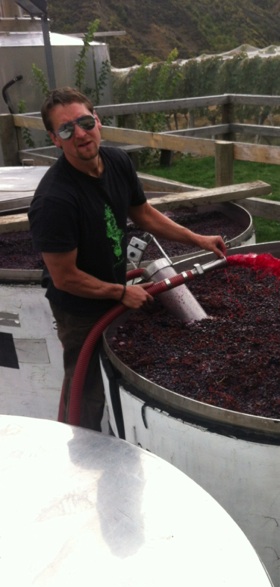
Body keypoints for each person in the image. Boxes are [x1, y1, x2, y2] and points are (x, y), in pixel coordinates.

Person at [28, 87, 227, 432]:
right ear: (54, 139)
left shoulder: (117, 162)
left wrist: (198, 239)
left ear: (98, 122)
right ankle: (78, 454)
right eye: (65, 130)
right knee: (84, 393)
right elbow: (65, 278)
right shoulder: (55, 200)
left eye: (84, 122)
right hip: (80, 309)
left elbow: (145, 214)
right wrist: (121, 293)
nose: (79, 134)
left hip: (115, 287)